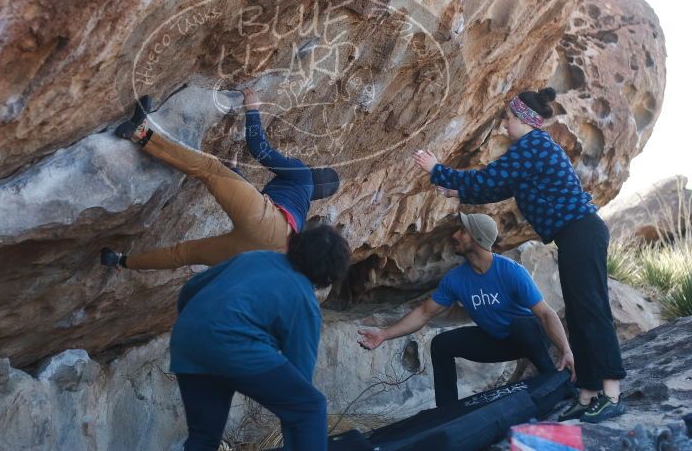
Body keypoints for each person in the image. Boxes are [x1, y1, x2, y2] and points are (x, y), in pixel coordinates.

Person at [414, 87, 626, 423]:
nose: (504, 125)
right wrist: (458, 188)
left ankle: (612, 395)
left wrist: (437, 169)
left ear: (525, 121)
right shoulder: (529, 153)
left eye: (509, 119)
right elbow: (497, 187)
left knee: (592, 310)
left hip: (582, 231)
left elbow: (489, 178)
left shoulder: (533, 146)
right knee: (579, 313)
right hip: (573, 235)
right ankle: (587, 395)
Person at [100, 87, 339, 270]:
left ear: (317, 172)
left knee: (208, 168)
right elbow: (258, 208)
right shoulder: (301, 207)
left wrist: (253, 110)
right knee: (186, 254)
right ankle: (120, 261)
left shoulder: (302, 176)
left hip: (269, 225)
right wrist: (235, 172)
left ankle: (139, 131)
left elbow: (260, 150)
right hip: (263, 255)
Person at [358, 213, 574, 408]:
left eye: (462, 231)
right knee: (442, 344)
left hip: (530, 337)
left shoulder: (511, 272)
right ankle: (447, 413)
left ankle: (557, 385)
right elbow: (424, 312)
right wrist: (383, 334)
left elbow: (545, 314)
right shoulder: (456, 279)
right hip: (498, 341)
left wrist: (566, 350)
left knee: (521, 326)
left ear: (477, 238)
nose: (455, 235)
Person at [170, 223, 351, 451]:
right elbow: (300, 384)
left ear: (298, 244)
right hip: (233, 344)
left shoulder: (254, 258)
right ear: (330, 274)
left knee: (203, 438)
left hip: (187, 339)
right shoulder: (304, 300)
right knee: (310, 408)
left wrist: (199, 331)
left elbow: (190, 289)